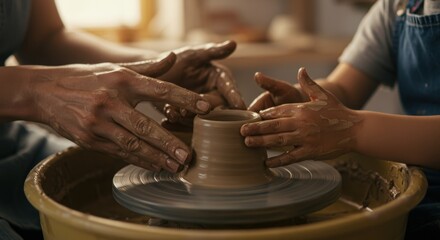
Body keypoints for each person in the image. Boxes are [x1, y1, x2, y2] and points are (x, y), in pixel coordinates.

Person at [0, 0, 245, 239]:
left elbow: (46, 40)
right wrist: (34, 92)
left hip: (13, 148)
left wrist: (156, 69)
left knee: (120, 181)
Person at [240, 0, 440, 239]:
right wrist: (304, 100)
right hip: (419, 186)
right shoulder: (396, 8)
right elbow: (344, 87)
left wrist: (353, 130)